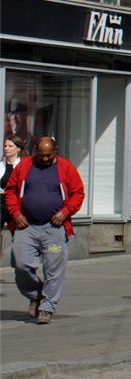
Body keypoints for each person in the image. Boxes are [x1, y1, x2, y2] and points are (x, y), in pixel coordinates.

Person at [5, 137, 86, 324]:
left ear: (55, 150)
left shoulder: (66, 167)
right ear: (35, 151)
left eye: (49, 155)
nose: (45, 159)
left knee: (54, 267)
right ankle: (36, 295)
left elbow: (78, 193)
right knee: (21, 265)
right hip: (27, 227)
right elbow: (10, 191)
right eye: (41, 155)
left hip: (54, 230)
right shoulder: (25, 165)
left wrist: (65, 212)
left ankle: (47, 307)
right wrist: (16, 213)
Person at [2, 136, 28, 229]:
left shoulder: (24, 165)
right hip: (1, 200)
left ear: (18, 148)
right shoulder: (1, 165)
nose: (6, 149)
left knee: (18, 232)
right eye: (5, 146)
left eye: (10, 146)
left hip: (16, 202)